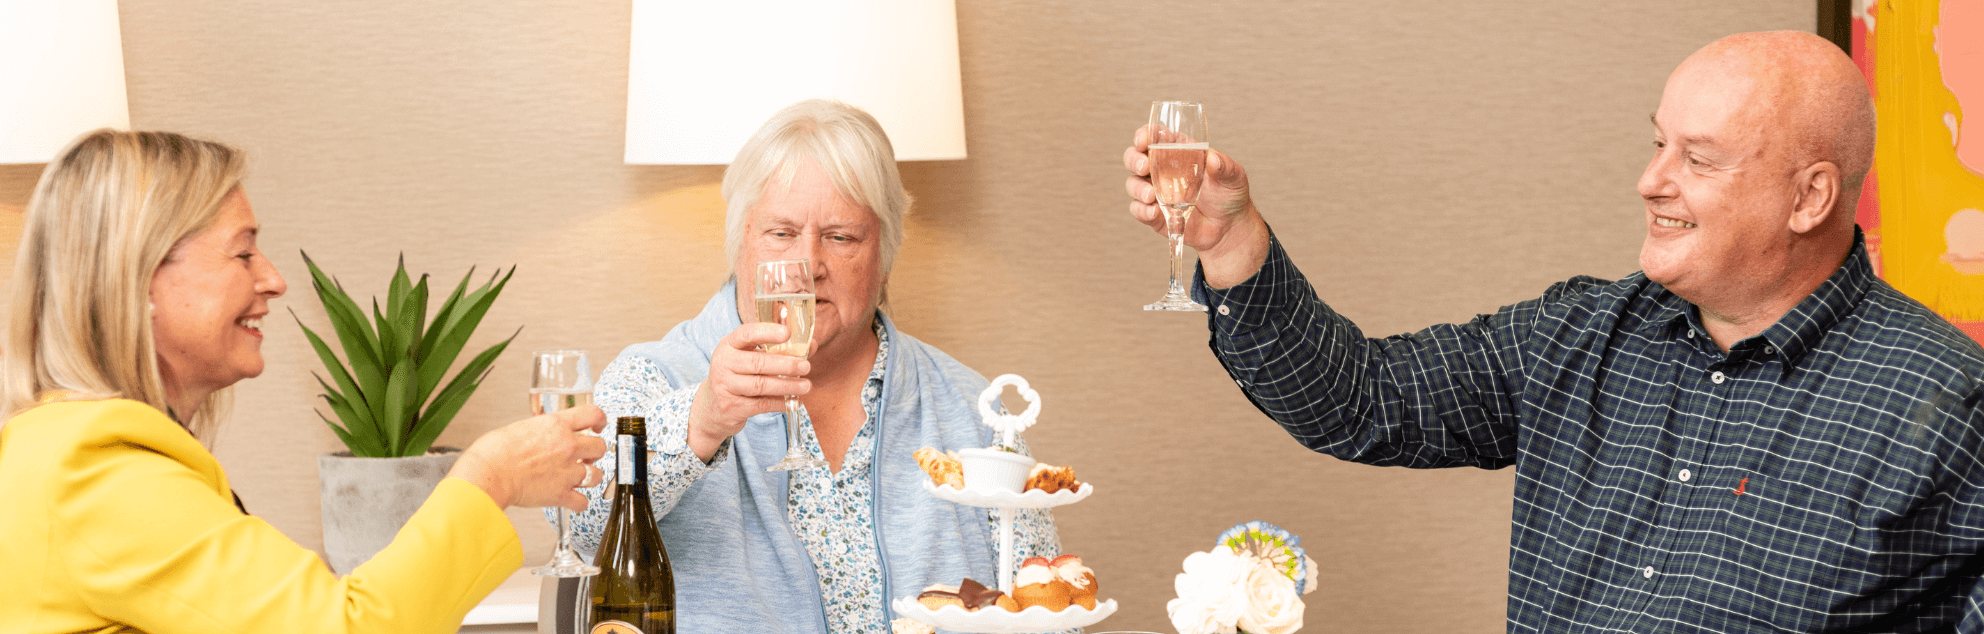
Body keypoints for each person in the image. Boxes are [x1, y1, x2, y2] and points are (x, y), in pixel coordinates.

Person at [1122, 31, 1984, 630]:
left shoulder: (1948, 406)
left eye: (1697, 159)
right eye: (1658, 144)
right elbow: (1359, 401)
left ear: (1810, 197)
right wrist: (1231, 242)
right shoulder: (1580, 332)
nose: (1651, 181)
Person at [0, 129, 610, 633]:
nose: (273, 280)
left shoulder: (70, 449)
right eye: (243, 254)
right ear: (139, 277)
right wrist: (491, 477)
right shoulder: (95, 470)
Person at [560, 99, 1062, 633]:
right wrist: (701, 422)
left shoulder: (973, 410)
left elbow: (1048, 609)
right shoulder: (652, 378)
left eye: (841, 237)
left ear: (885, 258)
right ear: (740, 244)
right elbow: (576, 521)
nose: (808, 266)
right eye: (781, 233)